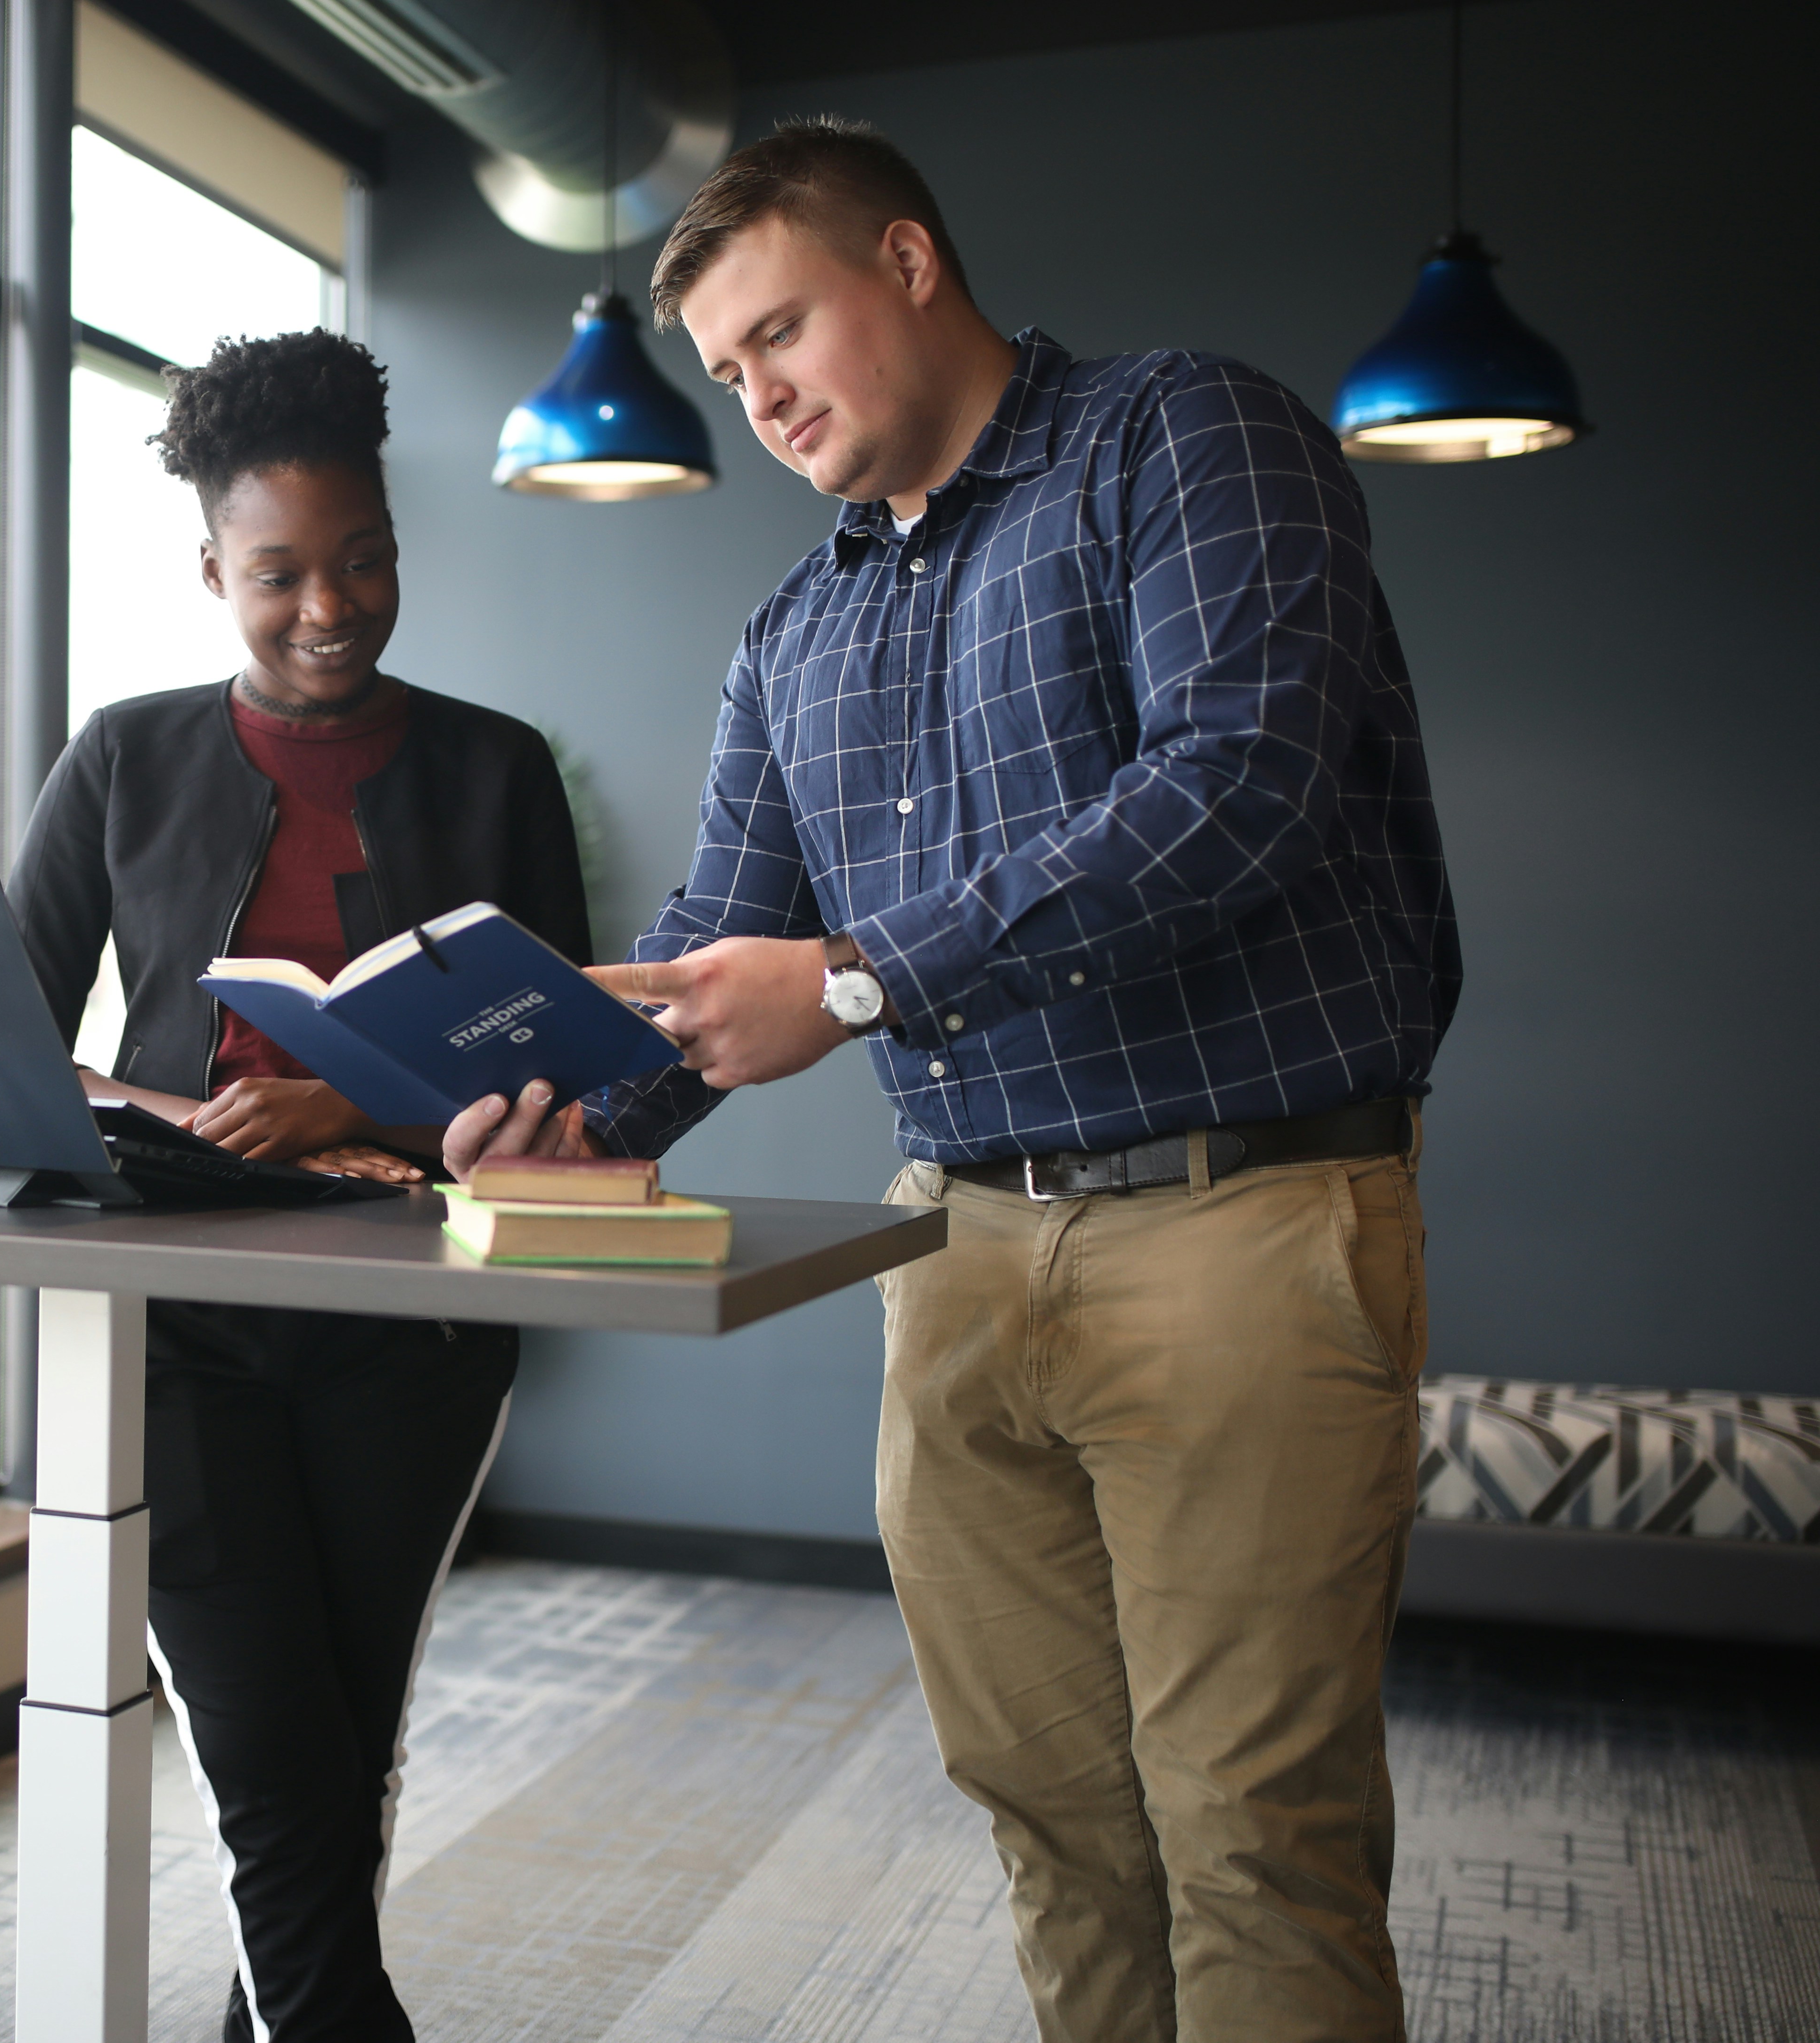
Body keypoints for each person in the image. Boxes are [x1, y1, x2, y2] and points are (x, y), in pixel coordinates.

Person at [450, 120, 1458, 2041]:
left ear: (909, 262)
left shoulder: (1183, 439)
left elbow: (1238, 782)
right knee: (1052, 1818)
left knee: (1256, 1835)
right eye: (732, 377)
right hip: (959, 1257)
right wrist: (557, 1107)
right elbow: (719, 945)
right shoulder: (793, 632)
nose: (761, 398)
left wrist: (852, 976)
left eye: (783, 335)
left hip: (1246, 1222)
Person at [6, 329, 591, 2043]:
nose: (327, 605)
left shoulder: (499, 768)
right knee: (269, 1746)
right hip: (172, 1325)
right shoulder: (122, 755)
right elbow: (22, 1040)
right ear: (212, 572)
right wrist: (171, 1108)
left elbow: (574, 1067)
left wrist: (353, 1092)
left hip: (416, 1328)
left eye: (365, 561)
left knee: (342, 1730)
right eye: (278, 575)